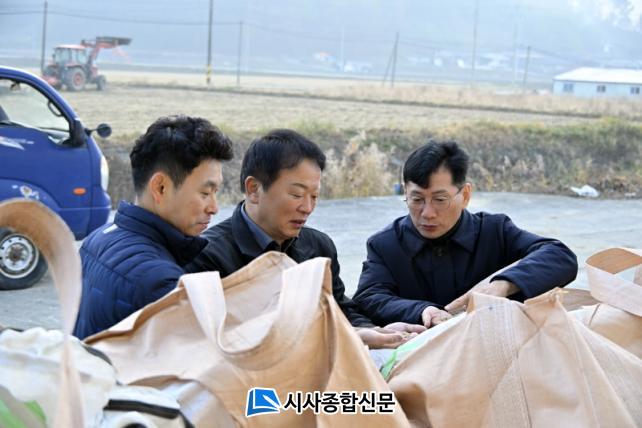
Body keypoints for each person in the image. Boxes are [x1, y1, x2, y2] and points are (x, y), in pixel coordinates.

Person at [186, 129, 424, 349]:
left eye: (315, 196)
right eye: (296, 194)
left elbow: (341, 311)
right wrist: (348, 337)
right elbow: (228, 343)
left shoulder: (319, 247)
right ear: (254, 189)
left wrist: (373, 331)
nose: (307, 208)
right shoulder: (207, 257)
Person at [353, 141, 578, 328]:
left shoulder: (495, 232)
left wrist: (502, 285)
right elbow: (369, 297)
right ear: (405, 193)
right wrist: (422, 310)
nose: (427, 213)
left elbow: (559, 255)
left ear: (466, 195)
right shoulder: (386, 245)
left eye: (440, 199)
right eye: (417, 199)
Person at [73, 115, 233, 339]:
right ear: (160, 188)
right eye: (205, 193)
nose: (214, 208)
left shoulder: (96, 239)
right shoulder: (159, 282)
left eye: (216, 193)